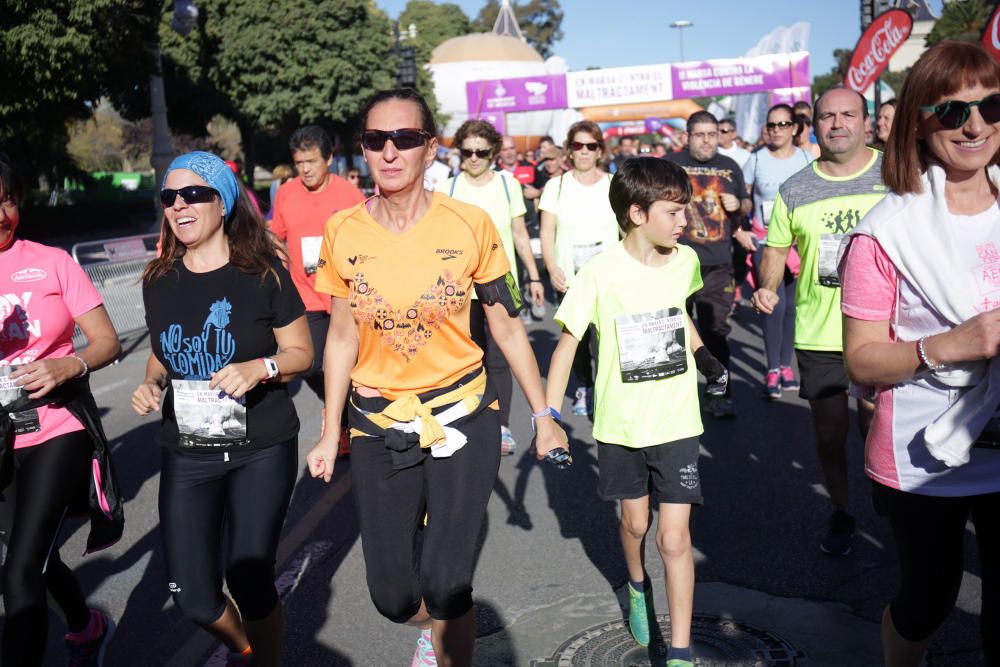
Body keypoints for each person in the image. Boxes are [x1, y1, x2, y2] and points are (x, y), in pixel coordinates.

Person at [305, 88, 567, 667]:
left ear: (430, 148)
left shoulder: (471, 225)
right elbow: (341, 337)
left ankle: (451, 635)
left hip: (462, 416)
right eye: (377, 140)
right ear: (364, 150)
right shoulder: (343, 230)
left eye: (405, 139)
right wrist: (330, 431)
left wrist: (544, 416)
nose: (390, 152)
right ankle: (433, 625)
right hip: (379, 427)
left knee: (448, 582)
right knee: (393, 596)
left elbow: (507, 328)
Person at [839, 41, 1000, 666]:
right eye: (953, 111)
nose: (976, 126)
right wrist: (958, 344)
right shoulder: (884, 231)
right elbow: (862, 361)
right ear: (918, 121)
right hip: (923, 451)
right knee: (929, 598)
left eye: (991, 107)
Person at [132, 150, 313, 667]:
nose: (179, 206)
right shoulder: (158, 279)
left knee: (250, 576)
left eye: (194, 194)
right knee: (193, 598)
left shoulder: (262, 275)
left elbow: (301, 352)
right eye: (169, 197)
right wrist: (150, 382)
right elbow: (162, 348)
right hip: (189, 452)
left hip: (261, 447)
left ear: (222, 201)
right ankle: (248, 646)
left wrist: (262, 368)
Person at [546, 157, 727, 667]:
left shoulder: (686, 261)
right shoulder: (599, 273)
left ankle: (681, 654)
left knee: (675, 538)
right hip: (621, 426)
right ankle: (636, 585)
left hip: (676, 421)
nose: (683, 221)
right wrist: (549, 419)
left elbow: (679, 319)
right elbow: (565, 349)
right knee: (635, 522)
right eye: (673, 212)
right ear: (637, 213)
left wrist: (708, 362)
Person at [0, 153, 123, 666]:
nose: (0, 212)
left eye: (6, 199)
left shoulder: (51, 261)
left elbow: (107, 342)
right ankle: (85, 625)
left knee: (19, 572)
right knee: (36, 558)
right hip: (3, 436)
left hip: (58, 427)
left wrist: (66, 367)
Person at [751, 88, 884, 556]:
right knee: (830, 434)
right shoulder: (796, 188)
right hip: (820, 330)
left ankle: (889, 500)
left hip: (884, 330)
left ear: (866, 123)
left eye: (848, 114)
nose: (837, 123)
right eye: (827, 116)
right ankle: (843, 510)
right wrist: (768, 284)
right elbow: (774, 249)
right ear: (815, 126)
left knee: (877, 427)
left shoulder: (894, 175)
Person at [438, 119, 545, 456]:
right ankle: (467, 420)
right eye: (467, 151)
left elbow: (519, 234)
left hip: (498, 283)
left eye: (481, 152)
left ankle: (501, 427)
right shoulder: (448, 189)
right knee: (468, 360)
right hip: (459, 290)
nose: (473, 158)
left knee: (499, 359)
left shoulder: (507, 184)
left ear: (493, 153)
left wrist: (535, 276)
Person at [271, 127, 364, 440]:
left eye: (311, 161)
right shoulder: (286, 193)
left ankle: (344, 423)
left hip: (344, 295)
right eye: (299, 163)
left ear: (329, 159)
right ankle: (336, 406)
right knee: (308, 364)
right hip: (305, 295)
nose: (306, 169)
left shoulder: (348, 194)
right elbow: (277, 237)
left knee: (349, 362)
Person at [667, 111, 754, 418]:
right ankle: (676, 399)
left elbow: (746, 204)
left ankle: (719, 392)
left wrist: (738, 205)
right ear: (687, 136)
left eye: (712, 134)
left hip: (718, 265)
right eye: (700, 135)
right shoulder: (670, 165)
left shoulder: (729, 167)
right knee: (674, 334)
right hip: (674, 262)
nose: (706, 141)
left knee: (715, 332)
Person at [539, 120, 620, 416]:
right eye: (578, 146)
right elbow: (547, 231)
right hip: (570, 278)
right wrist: (551, 267)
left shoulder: (614, 184)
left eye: (591, 146)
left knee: (610, 337)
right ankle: (586, 386)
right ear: (569, 151)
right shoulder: (556, 185)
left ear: (600, 150)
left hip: (611, 277)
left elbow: (627, 229)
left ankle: (609, 390)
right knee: (579, 340)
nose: (584, 152)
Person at [743, 104, 814, 399]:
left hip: (799, 244)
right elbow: (744, 199)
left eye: (782, 124)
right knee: (774, 305)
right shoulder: (756, 159)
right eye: (771, 125)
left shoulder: (807, 159)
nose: (776, 130)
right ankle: (772, 368)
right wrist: (740, 224)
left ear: (794, 128)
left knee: (792, 309)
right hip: (766, 241)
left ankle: (787, 366)